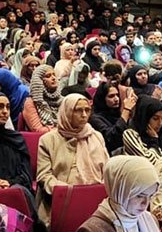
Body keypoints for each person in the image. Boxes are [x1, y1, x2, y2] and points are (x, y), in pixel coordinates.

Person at [36, 94, 108, 222]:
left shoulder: (97, 137)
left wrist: (97, 193)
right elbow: (44, 176)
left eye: (87, 110)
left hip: (97, 201)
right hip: (64, 201)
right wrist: (70, 193)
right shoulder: (48, 140)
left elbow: (107, 171)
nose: (84, 115)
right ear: (67, 111)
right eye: (78, 110)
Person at [90, 82, 135, 153]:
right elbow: (112, 139)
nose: (116, 99)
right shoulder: (95, 118)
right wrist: (126, 110)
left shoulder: (116, 113)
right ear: (102, 99)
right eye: (111, 96)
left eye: (117, 95)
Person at [27, 65, 61, 132]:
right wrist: (62, 130)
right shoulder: (32, 102)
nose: (53, 78)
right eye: (48, 76)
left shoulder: (61, 99)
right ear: (39, 81)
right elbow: (38, 130)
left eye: (54, 75)